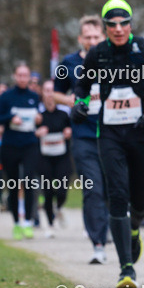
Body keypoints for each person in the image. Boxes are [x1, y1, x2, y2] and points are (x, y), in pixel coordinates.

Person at [72, 0, 144, 288]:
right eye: (112, 24)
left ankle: (133, 229)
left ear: (130, 24)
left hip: (141, 132)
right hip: (109, 134)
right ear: (105, 27)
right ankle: (126, 268)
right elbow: (82, 84)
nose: (118, 29)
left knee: (140, 202)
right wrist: (79, 103)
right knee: (117, 195)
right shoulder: (97, 54)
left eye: (123, 23)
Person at [54, 15, 109, 264]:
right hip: (84, 137)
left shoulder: (113, 59)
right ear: (80, 39)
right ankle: (98, 243)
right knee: (93, 190)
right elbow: (55, 93)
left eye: (96, 37)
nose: (92, 40)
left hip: (112, 134)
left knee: (112, 189)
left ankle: (112, 229)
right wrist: (75, 102)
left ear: (103, 37)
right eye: (87, 37)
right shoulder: (69, 63)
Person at [0, 63, 43, 239]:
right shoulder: (6, 97)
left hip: (29, 144)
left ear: (29, 78)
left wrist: (38, 119)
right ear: (14, 76)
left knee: (29, 181)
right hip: (10, 146)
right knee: (13, 185)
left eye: (25, 75)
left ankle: (28, 221)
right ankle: (16, 223)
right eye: (19, 75)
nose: (22, 78)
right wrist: (10, 118)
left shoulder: (34, 97)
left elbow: (40, 118)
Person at [37, 80, 73, 238]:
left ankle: (59, 207)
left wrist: (68, 132)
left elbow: (73, 130)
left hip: (62, 157)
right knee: (48, 191)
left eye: (52, 91)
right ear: (42, 94)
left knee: (62, 190)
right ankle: (50, 224)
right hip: (44, 158)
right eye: (46, 91)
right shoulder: (38, 117)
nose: (50, 94)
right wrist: (37, 133)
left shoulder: (64, 115)